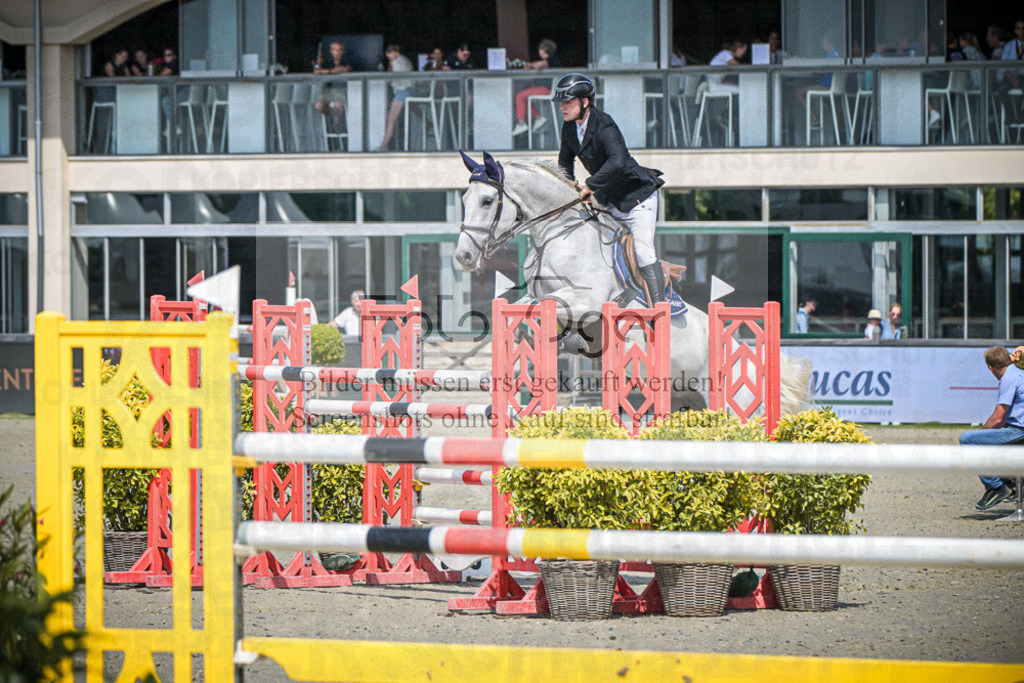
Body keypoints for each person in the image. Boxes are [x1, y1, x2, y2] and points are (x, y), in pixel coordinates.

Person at [552, 73, 666, 306]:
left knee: (643, 252)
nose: (562, 107)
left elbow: (618, 161)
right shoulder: (569, 128)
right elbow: (565, 162)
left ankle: (659, 310)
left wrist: (590, 186)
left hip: (637, 199)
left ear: (585, 102)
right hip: (609, 200)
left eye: (568, 102)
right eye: (561, 103)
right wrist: (570, 186)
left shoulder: (604, 124)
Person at [959, 346, 1024, 510]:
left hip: (1019, 431)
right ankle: (1008, 484)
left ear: (991, 368)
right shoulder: (1019, 373)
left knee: (968, 439)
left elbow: (998, 418)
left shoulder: (1008, 378)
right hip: (1018, 429)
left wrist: (982, 435)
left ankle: (998, 487)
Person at [511, 39, 561, 137]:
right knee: (523, 99)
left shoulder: (550, 59)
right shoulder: (553, 60)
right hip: (546, 88)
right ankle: (538, 118)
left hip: (545, 89)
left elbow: (542, 64)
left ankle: (521, 124)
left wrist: (529, 65)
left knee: (519, 96)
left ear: (544, 50)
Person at [377, 44, 414, 151]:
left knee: (391, 119)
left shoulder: (397, 61)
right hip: (407, 91)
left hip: (402, 92)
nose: (389, 58)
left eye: (388, 56)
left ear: (392, 53)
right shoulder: (405, 60)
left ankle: (382, 146)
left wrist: (389, 71)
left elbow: (394, 77)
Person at [314, 41, 355, 124]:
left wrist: (326, 72)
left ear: (343, 51)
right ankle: (334, 116)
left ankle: (337, 120)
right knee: (318, 105)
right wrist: (331, 71)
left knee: (337, 105)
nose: (337, 52)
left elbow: (345, 69)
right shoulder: (327, 62)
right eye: (335, 50)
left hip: (341, 90)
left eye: (340, 50)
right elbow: (317, 71)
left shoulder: (346, 61)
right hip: (328, 90)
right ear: (331, 51)